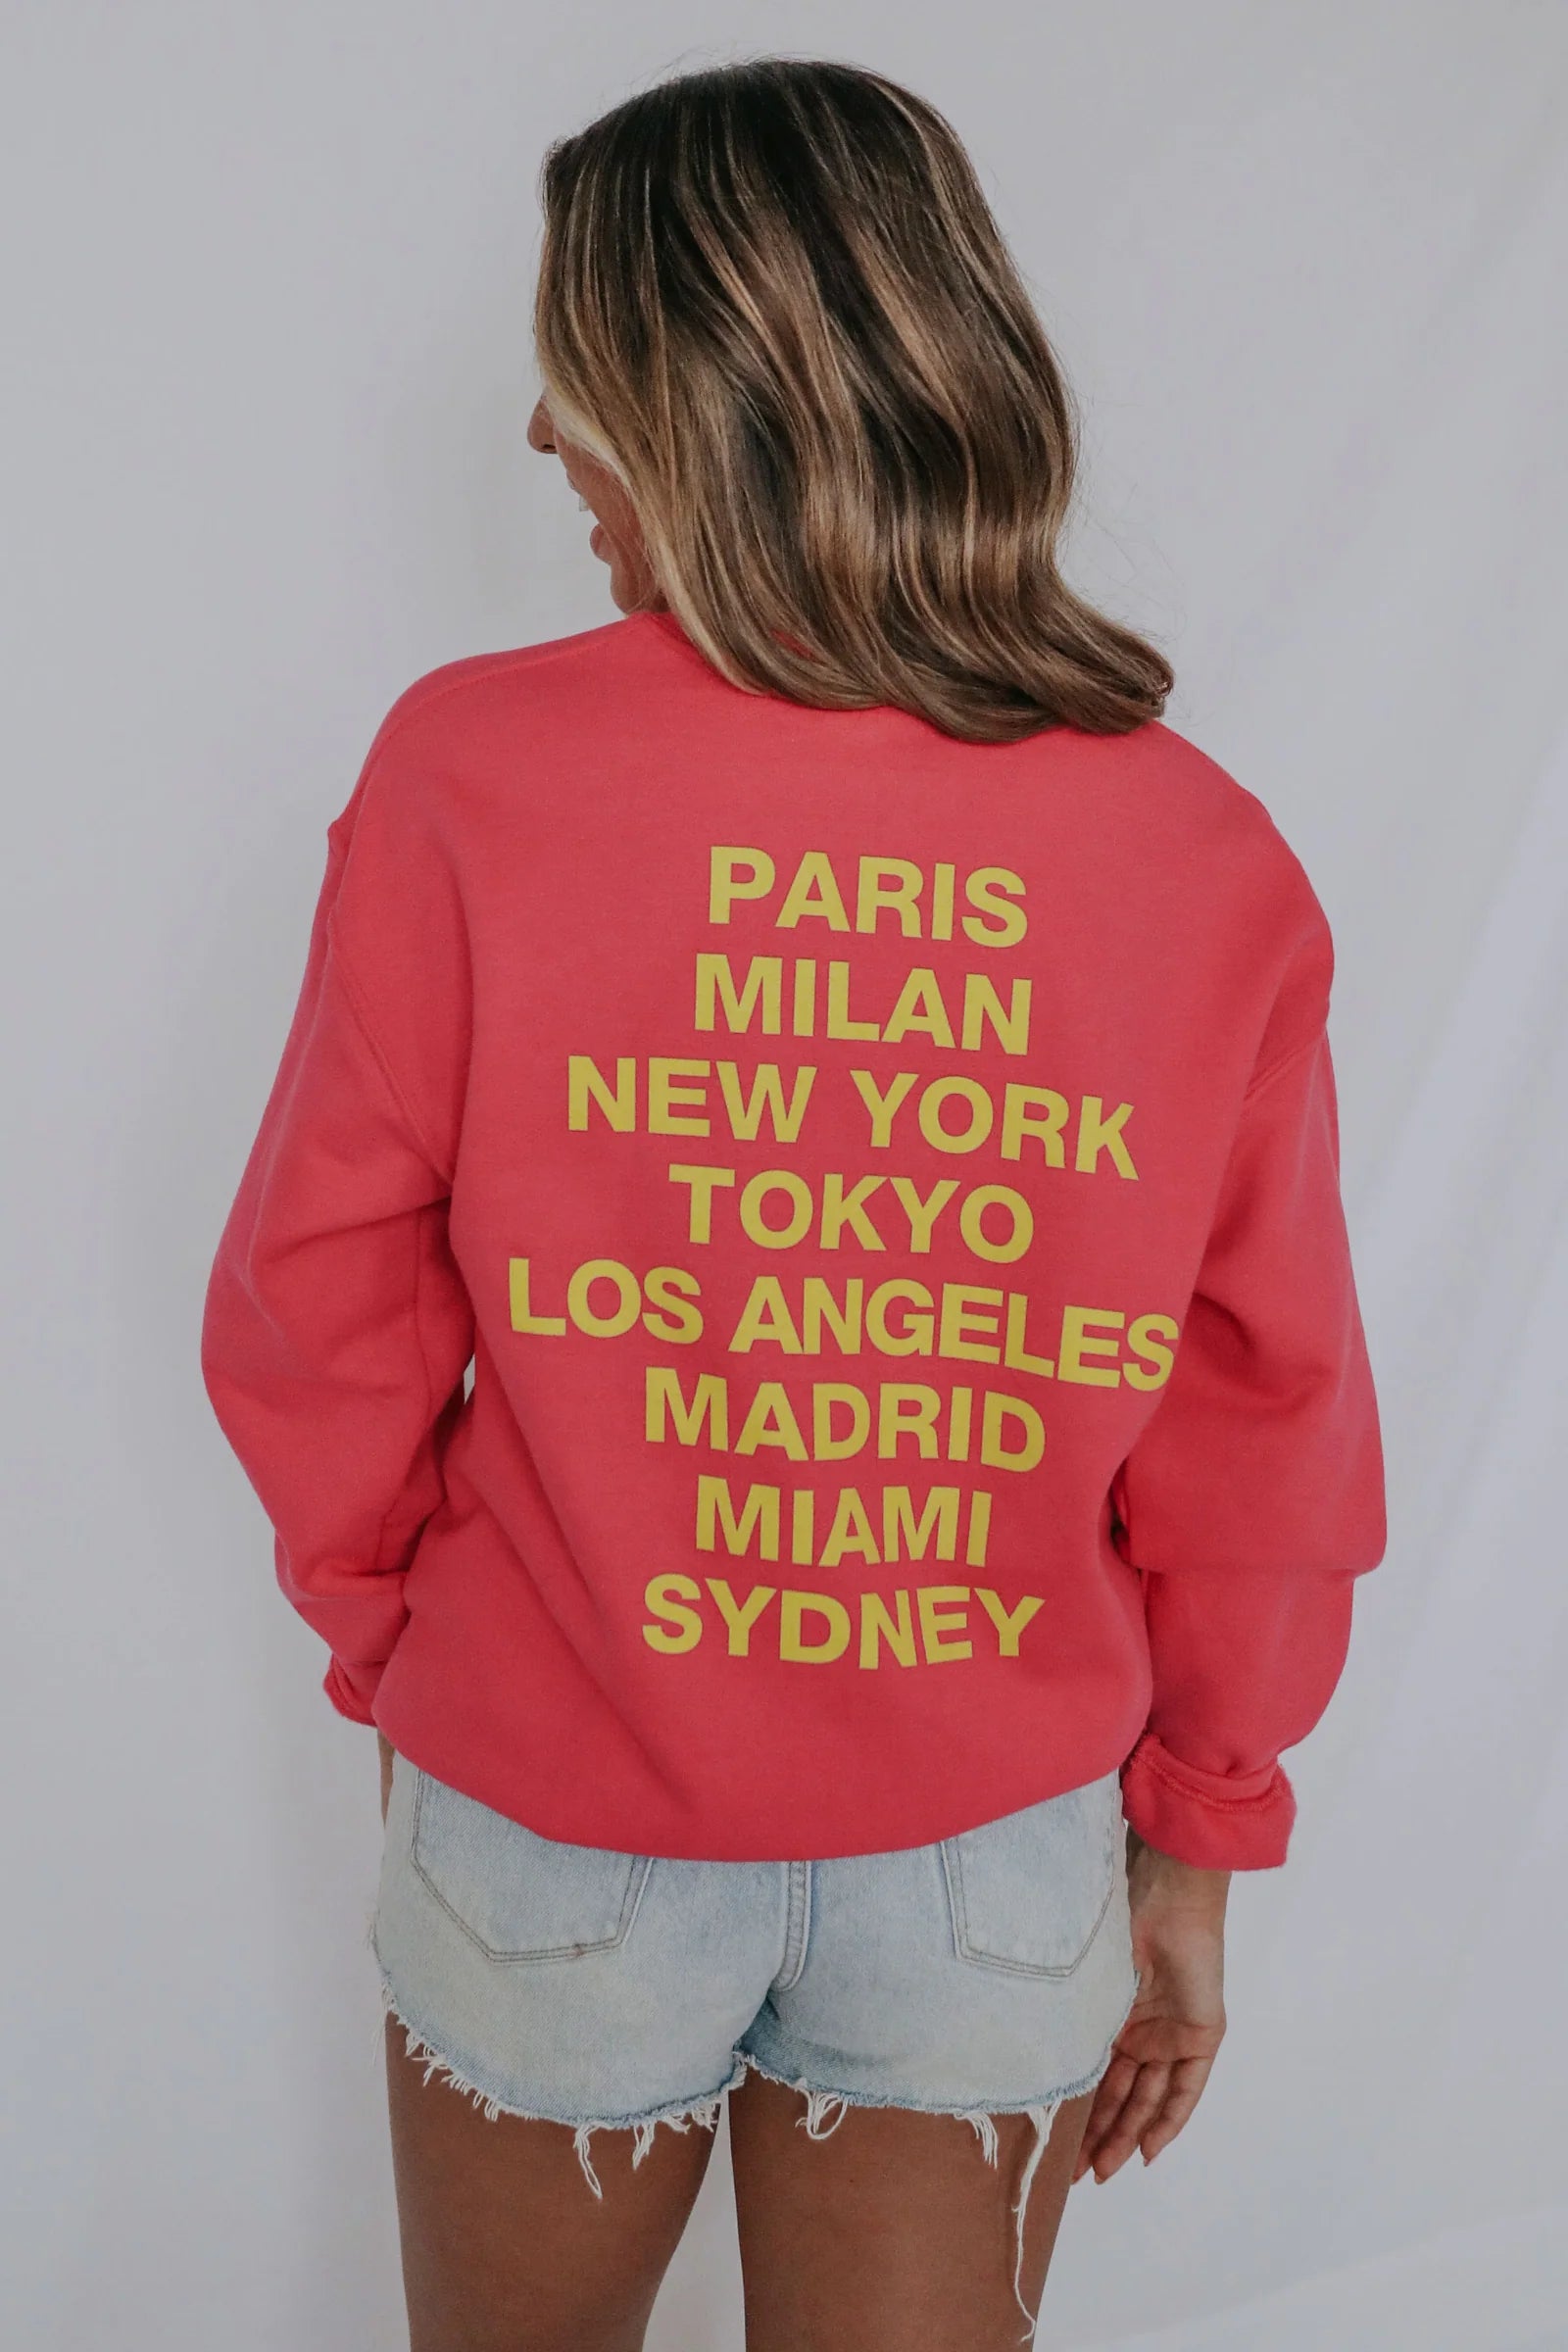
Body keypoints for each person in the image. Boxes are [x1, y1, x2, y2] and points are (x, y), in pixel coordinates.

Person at [201, 57, 1387, 2352]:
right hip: (993, 1854)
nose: (539, 437)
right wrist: (1199, 1827)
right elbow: (1265, 1410)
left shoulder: (466, 775)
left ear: (695, 391)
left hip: (550, 1799)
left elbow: (313, 1301)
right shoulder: (1197, 851)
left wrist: (392, 1644)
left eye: (575, 373)